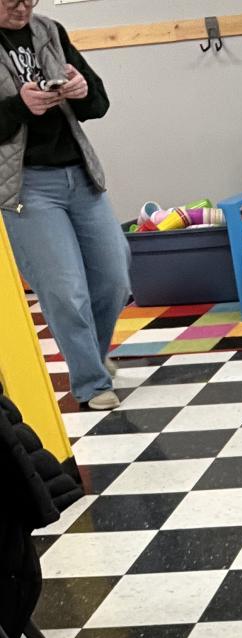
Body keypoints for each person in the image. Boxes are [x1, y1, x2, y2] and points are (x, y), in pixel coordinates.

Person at [0, 0, 129, 410]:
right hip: (27, 187)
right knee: (65, 291)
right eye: (12, 0)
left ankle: (93, 355)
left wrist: (82, 91)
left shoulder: (50, 30)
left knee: (115, 278)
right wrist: (20, 106)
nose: (23, 7)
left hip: (80, 174)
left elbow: (99, 103)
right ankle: (91, 383)